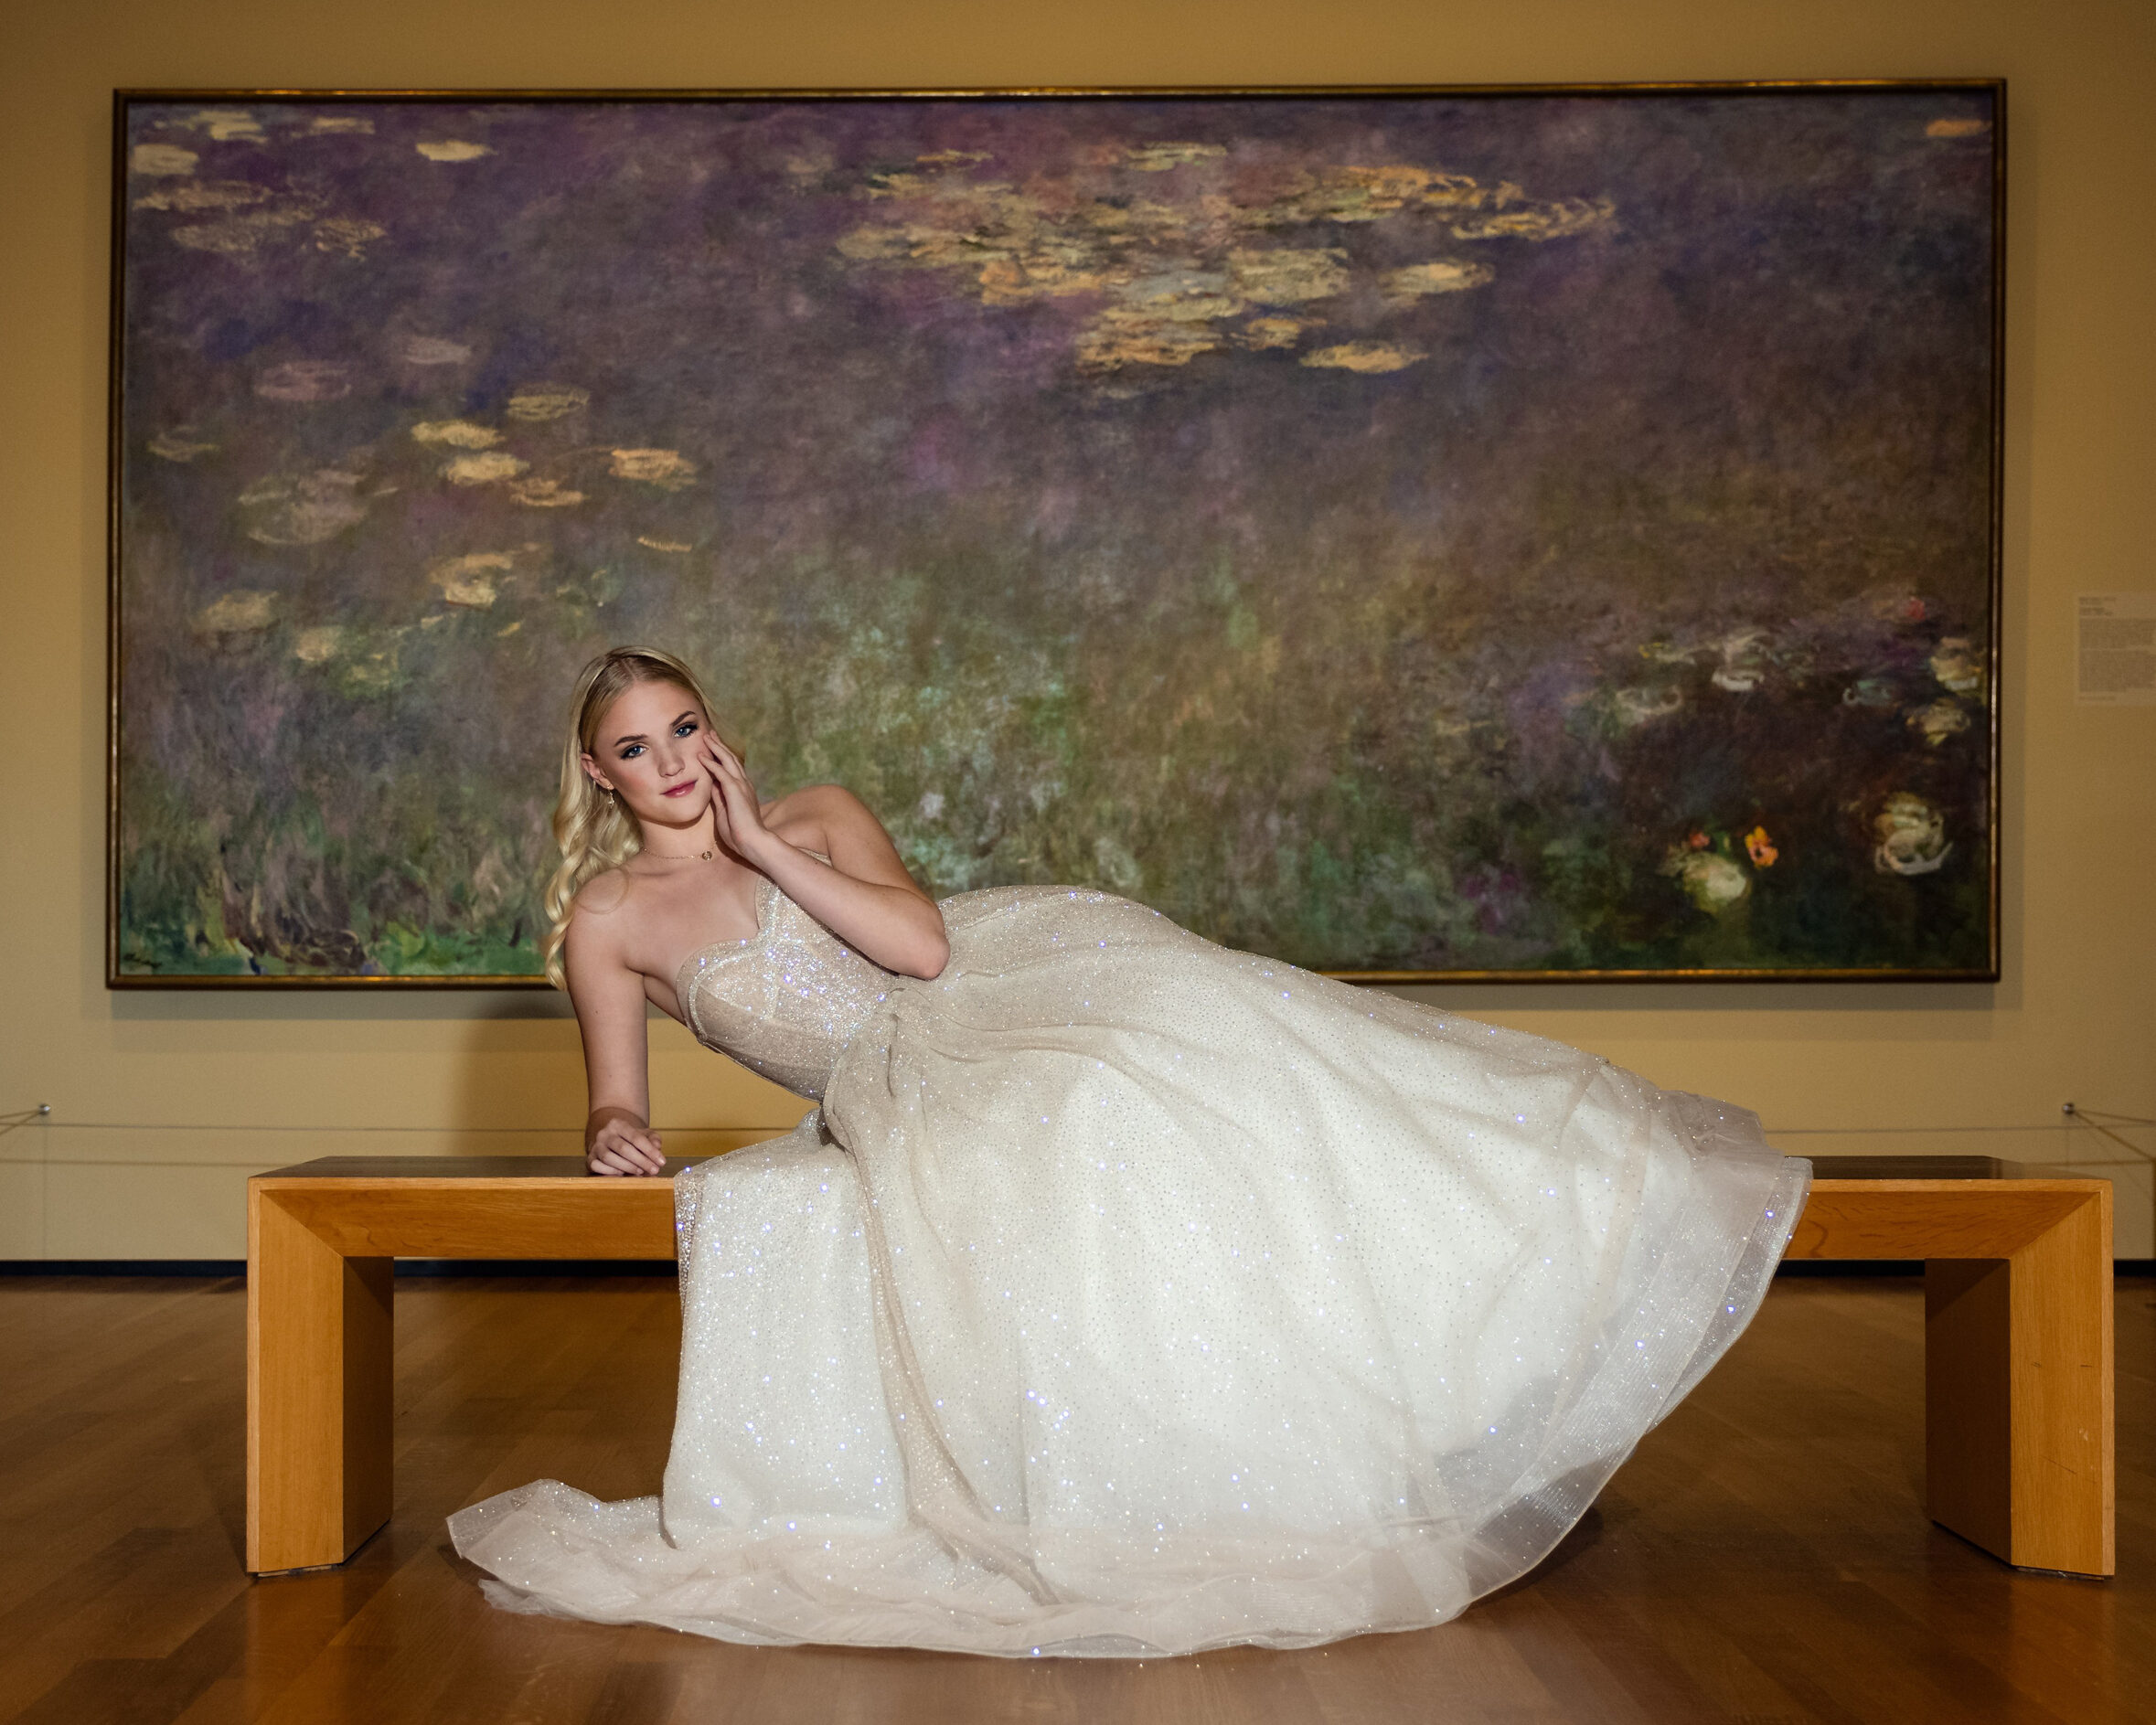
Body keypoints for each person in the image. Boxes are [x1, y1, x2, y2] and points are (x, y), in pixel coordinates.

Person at [449, 644, 1809, 1657]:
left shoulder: (810, 813)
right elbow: (611, 1101)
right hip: (893, 1077)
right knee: (1087, 1113)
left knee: (1207, 1019)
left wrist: (758, 843)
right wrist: (617, 1131)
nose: (675, 762)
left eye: (685, 727)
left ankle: (1537, 1213)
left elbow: (919, 949)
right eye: (638, 748)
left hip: (982, 985)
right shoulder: (609, 918)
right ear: (595, 772)